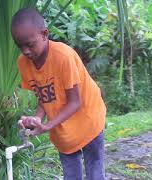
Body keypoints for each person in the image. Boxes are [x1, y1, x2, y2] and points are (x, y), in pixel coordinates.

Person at [11, 8, 107, 180]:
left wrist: (47, 126)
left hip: (89, 120)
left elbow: (75, 102)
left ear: (45, 34)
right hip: (64, 132)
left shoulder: (63, 56)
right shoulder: (24, 63)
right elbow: (44, 98)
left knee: (95, 174)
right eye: (20, 46)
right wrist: (37, 119)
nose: (25, 51)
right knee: (71, 176)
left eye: (30, 44)